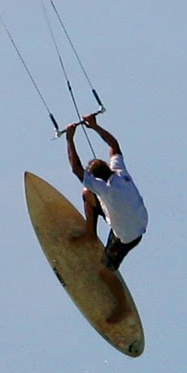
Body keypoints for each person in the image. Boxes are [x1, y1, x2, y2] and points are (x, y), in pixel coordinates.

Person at [64, 114, 148, 319]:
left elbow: (75, 169)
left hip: (127, 236)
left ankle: (121, 307)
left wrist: (70, 139)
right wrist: (94, 126)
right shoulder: (119, 171)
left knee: (105, 272)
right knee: (87, 194)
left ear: (96, 178)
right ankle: (89, 235)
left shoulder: (106, 191)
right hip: (139, 220)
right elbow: (114, 144)